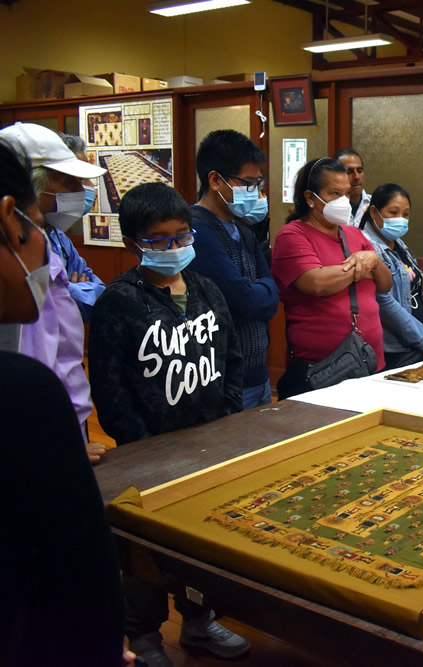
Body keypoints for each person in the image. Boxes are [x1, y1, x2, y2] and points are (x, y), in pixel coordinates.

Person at [88, 182, 247, 666]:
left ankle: (199, 621)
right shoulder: (119, 302)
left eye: (182, 236)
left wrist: (227, 421)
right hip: (151, 453)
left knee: (205, 538)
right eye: (159, 240)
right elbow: (110, 387)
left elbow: (231, 359)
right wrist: (142, 445)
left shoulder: (206, 290)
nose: (174, 247)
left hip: (210, 442)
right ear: (134, 242)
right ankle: (144, 637)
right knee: (149, 553)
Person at [0, 136, 133, 667]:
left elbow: (91, 294)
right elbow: (74, 567)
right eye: (33, 224)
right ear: (10, 218)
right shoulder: (20, 391)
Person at [0, 122, 105, 462]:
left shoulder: (53, 239)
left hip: (59, 422)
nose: (82, 191)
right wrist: (54, 445)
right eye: (69, 181)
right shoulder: (19, 274)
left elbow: (97, 292)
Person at [272, 157, 391, 398]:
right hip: (321, 370)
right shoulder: (292, 235)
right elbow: (317, 282)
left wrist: (374, 260)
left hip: (368, 362)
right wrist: (361, 264)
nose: (343, 201)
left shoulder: (354, 233)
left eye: (346, 194)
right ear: (310, 197)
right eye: (335, 193)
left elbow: (385, 283)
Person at [189, 129, 279, 409]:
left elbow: (272, 292)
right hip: (225, 379)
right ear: (215, 180)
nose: (255, 191)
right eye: (248, 183)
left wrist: (260, 291)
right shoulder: (197, 231)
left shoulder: (242, 228)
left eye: (258, 182)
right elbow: (241, 300)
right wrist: (260, 290)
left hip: (258, 373)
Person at [359, 182, 423, 369]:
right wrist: (419, 336)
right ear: (374, 212)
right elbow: (383, 300)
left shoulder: (397, 243)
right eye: (393, 213)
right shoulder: (368, 247)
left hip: (411, 340)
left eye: (405, 214)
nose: (400, 219)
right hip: (392, 345)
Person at [53, 132, 107, 320]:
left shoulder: (58, 237)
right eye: (78, 179)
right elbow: (45, 301)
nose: (89, 186)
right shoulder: (22, 241)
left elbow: (101, 295)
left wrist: (69, 292)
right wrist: (71, 293)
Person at [334, 147, 369, 226]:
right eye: (349, 172)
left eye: (359, 171)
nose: (357, 177)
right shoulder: (330, 208)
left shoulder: (376, 204)